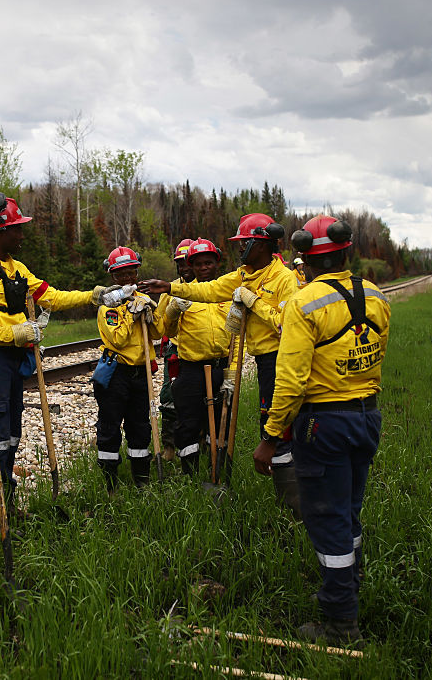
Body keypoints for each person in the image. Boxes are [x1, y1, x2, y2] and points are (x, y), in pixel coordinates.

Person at [252, 214, 390, 647]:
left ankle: (341, 625)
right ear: (345, 251)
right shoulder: (376, 296)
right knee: (349, 511)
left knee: (327, 520)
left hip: (324, 424)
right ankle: (350, 585)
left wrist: (271, 438)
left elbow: (290, 381)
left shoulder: (304, 302)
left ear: (305, 257)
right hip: (367, 417)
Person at [0, 193, 116, 520]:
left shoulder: (17, 270)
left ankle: (7, 499)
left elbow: (51, 297)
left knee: (11, 432)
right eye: (16, 229)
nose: (21, 234)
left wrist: (93, 295)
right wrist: (13, 333)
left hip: (15, 361)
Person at [139, 214, 300, 512]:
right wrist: (170, 288)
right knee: (271, 425)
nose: (240, 250)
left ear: (260, 243)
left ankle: (294, 503)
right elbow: (208, 290)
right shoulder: (243, 275)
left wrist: (253, 302)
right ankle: (287, 502)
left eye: (243, 243)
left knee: (282, 428)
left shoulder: (284, 279)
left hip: (283, 359)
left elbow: (287, 324)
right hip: (259, 361)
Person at [158, 238, 238, 479]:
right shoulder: (182, 294)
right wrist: (172, 311)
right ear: (190, 267)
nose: (204, 268)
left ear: (217, 263)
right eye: (198, 264)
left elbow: (237, 338)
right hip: (191, 368)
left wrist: (231, 373)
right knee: (188, 422)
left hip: (221, 367)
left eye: (208, 263)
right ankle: (189, 474)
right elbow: (167, 332)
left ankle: (218, 469)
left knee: (221, 420)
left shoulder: (227, 294)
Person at [93, 247, 162, 491]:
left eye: (130, 273)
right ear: (113, 277)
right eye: (121, 275)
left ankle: (141, 480)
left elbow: (158, 333)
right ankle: (110, 483)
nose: (127, 279)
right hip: (116, 373)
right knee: (110, 427)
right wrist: (131, 316)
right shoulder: (107, 308)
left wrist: (152, 312)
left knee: (140, 426)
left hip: (140, 373)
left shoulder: (143, 301)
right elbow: (119, 339)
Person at [158, 238, 196, 460]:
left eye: (187, 263)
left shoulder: (208, 287)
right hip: (176, 352)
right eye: (180, 264)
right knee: (169, 397)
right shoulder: (169, 290)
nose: (184, 269)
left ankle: (198, 442)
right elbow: (159, 322)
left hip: (202, 354)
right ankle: (169, 447)